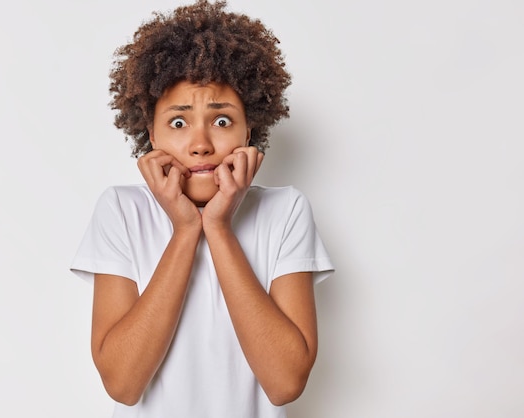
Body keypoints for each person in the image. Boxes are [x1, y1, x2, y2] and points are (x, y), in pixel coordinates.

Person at [70, 1, 334, 417]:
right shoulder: (121, 210)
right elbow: (122, 384)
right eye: (178, 123)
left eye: (222, 121)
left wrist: (220, 228)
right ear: (150, 133)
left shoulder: (285, 211)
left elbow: (285, 384)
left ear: (250, 128)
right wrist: (185, 230)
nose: (200, 144)